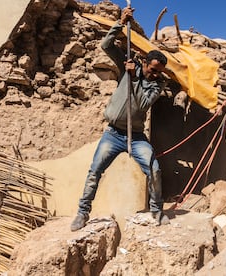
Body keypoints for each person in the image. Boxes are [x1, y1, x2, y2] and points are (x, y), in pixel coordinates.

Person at [71, 7, 169, 231]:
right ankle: (82, 212)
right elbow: (106, 45)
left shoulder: (157, 84)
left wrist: (133, 78)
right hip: (113, 133)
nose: (155, 74)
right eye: (153, 69)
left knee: (153, 169)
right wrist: (119, 22)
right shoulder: (127, 64)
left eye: (159, 72)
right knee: (95, 171)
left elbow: (143, 104)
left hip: (135, 137)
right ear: (145, 62)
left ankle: (157, 209)